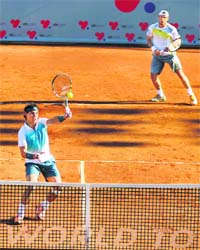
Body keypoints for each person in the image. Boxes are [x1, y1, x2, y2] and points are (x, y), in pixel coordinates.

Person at [14, 103, 72, 224]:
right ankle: (20, 212)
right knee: (31, 185)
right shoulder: (22, 131)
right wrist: (34, 156)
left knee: (58, 187)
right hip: (32, 162)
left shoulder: (42, 122)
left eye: (36, 113)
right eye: (31, 113)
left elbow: (53, 120)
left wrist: (64, 116)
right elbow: (23, 153)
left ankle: (42, 207)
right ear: (25, 115)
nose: (34, 115)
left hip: (47, 160)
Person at [146, 9, 198, 105]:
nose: (162, 19)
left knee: (181, 75)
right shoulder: (152, 27)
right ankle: (160, 95)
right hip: (157, 55)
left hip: (170, 56)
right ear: (158, 17)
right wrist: (153, 48)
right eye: (160, 17)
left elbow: (178, 41)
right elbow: (148, 39)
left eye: (164, 17)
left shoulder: (171, 29)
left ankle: (191, 95)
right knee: (153, 76)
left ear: (167, 19)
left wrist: (170, 47)